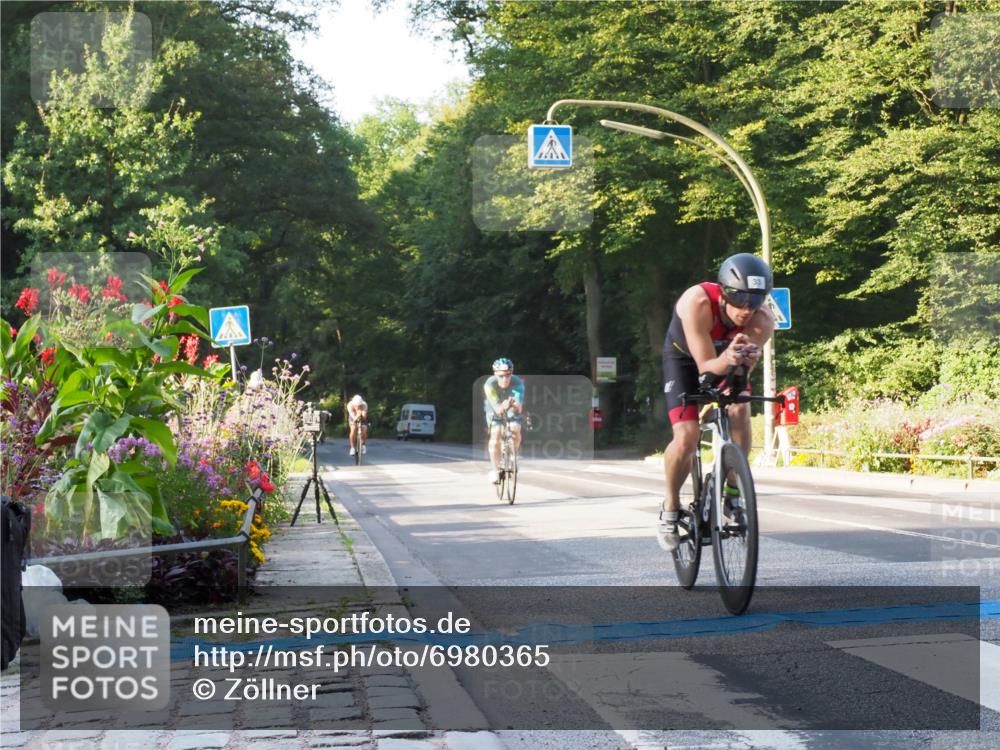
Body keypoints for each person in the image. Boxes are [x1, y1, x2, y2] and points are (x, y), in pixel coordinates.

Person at [658, 253, 776, 551]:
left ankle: (733, 488)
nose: (746, 310)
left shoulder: (763, 320)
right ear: (724, 294)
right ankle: (670, 508)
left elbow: (739, 373)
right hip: (686, 361)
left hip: (726, 360)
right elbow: (705, 365)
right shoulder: (696, 302)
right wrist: (726, 360)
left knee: (740, 407)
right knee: (687, 436)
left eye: (755, 301)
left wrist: (744, 364)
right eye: (740, 300)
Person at [483, 357, 525, 484]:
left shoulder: (518, 383)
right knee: (496, 434)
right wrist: (503, 406)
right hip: (494, 407)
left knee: (515, 427)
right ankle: (495, 471)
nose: (505, 379)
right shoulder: (489, 384)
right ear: (495, 374)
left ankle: (514, 455)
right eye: (501, 376)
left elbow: (519, 408)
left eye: (508, 375)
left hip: (510, 405)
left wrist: (515, 405)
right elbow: (498, 410)